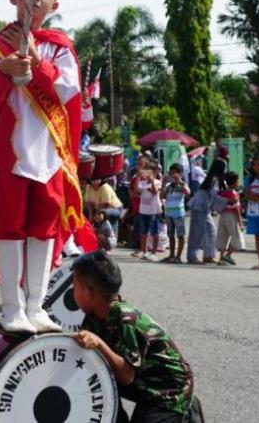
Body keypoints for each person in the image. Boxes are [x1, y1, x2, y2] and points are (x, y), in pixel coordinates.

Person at [0, 0, 84, 333]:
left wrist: (36, 59)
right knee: (8, 230)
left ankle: (36, 306)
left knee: (43, 231)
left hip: (48, 157)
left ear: (54, 3)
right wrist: (5, 69)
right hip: (8, 158)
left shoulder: (60, 48)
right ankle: (12, 308)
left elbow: (65, 91)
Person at [73, 251, 202, 422]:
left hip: (168, 389)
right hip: (143, 382)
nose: (72, 292)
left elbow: (126, 376)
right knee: (91, 382)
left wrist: (99, 344)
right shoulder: (93, 315)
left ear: (89, 293)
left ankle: (185, 412)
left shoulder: (125, 318)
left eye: (74, 287)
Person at [186, 159, 226, 265]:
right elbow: (215, 196)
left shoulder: (213, 178)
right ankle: (192, 256)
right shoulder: (212, 179)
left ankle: (208, 255)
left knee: (211, 231)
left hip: (204, 208)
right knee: (197, 233)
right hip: (199, 207)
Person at [161, 164, 189, 264]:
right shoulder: (168, 186)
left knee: (180, 236)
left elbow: (188, 193)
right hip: (169, 213)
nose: (172, 175)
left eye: (174, 173)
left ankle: (178, 257)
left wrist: (180, 181)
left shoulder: (182, 185)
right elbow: (162, 196)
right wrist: (163, 184)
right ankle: (171, 255)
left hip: (179, 214)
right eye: (170, 173)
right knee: (170, 235)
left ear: (180, 174)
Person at [134, 163, 162, 261]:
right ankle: (144, 251)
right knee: (143, 233)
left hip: (153, 211)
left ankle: (153, 253)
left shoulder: (158, 182)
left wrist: (152, 182)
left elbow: (155, 192)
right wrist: (138, 176)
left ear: (154, 172)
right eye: (146, 171)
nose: (147, 173)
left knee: (155, 232)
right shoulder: (142, 183)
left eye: (149, 171)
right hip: (143, 210)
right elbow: (136, 190)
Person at [217, 171, 244, 266]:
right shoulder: (234, 194)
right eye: (238, 181)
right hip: (231, 217)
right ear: (234, 182)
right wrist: (240, 223)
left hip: (223, 216)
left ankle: (221, 258)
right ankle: (228, 255)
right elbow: (236, 209)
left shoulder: (223, 193)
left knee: (223, 236)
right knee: (236, 236)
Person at [246, 157, 259, 270]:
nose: (256, 167)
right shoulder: (249, 179)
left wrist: (256, 197)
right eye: (255, 165)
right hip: (253, 212)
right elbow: (246, 194)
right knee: (257, 237)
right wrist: (255, 197)